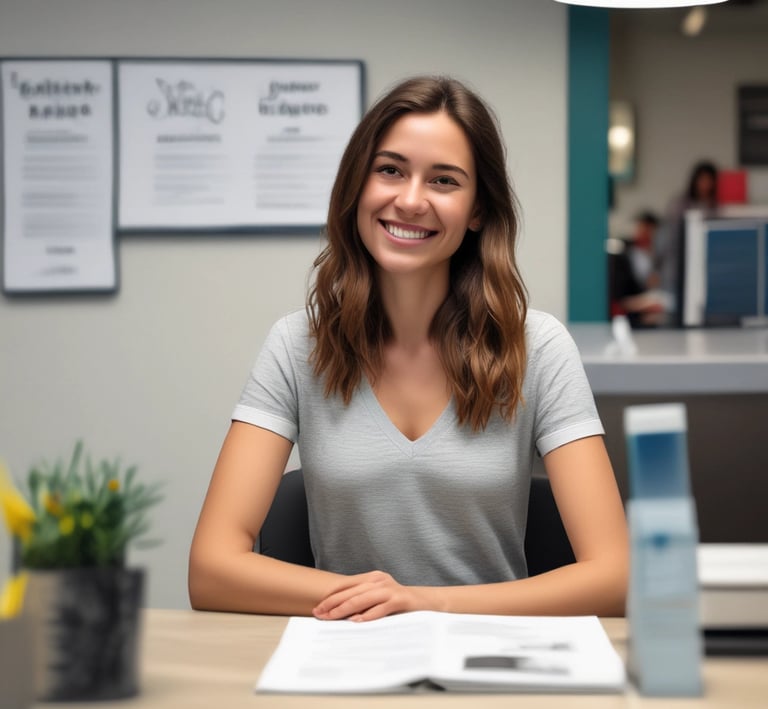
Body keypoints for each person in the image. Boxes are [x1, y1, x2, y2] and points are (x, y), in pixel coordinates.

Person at [188, 76, 628, 621]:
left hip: (491, 663)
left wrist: (425, 602)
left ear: (477, 211)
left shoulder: (538, 347)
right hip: (344, 659)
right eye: (390, 170)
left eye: (444, 180)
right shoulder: (296, 345)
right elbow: (210, 569)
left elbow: (613, 578)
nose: (411, 200)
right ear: (358, 186)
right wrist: (374, 603)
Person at [657, 160, 719, 326]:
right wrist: (656, 268)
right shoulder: (679, 205)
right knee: (671, 313)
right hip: (676, 269)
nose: (705, 185)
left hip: (704, 271)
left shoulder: (715, 208)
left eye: (709, 180)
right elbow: (664, 240)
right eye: (702, 180)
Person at [608, 210, 668, 327]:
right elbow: (619, 299)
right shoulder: (622, 256)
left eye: (649, 231)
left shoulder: (659, 256)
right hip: (630, 318)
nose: (645, 234)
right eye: (642, 228)